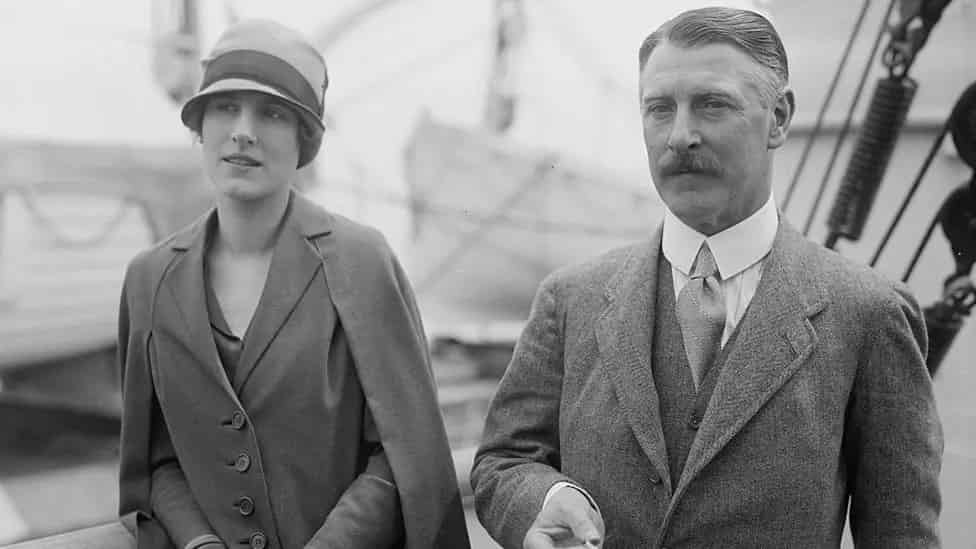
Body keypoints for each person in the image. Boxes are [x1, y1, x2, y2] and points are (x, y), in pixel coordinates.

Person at [471, 7, 943, 548]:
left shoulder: (868, 314)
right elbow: (504, 461)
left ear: (780, 118)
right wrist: (546, 499)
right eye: (659, 109)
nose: (681, 136)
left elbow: (902, 535)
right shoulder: (569, 299)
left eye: (712, 105)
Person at [117, 19, 469, 549]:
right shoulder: (149, 279)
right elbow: (156, 457)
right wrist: (198, 542)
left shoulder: (362, 262)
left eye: (273, 113)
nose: (243, 130)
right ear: (200, 126)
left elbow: (406, 451)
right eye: (225, 107)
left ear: (305, 140)